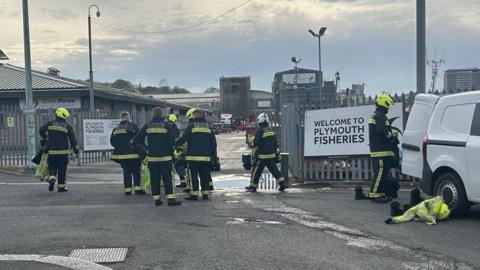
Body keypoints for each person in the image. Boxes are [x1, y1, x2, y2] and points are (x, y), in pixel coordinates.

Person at [132, 107, 181, 206]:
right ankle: (170, 199)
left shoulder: (148, 125)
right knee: (168, 178)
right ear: (161, 114)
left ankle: (157, 200)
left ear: (153, 114)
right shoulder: (167, 125)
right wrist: (170, 151)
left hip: (152, 158)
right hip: (165, 157)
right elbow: (172, 140)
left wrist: (144, 149)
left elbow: (136, 139)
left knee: (154, 179)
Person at [175, 108, 218, 200]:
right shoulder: (208, 127)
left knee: (193, 176)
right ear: (202, 115)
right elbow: (213, 144)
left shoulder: (191, 126)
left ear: (194, 115)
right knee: (205, 175)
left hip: (193, 157)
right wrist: (214, 157)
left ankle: (194, 194)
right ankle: (205, 194)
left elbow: (183, 139)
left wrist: (175, 145)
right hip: (206, 158)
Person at [367, 93, 398, 203]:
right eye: (388, 105)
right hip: (380, 151)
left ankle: (379, 193)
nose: (389, 108)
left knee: (383, 174)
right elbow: (381, 130)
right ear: (384, 103)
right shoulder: (380, 116)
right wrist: (391, 135)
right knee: (380, 173)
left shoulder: (377, 115)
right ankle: (374, 194)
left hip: (381, 151)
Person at [39, 107, 78, 192]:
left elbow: (41, 130)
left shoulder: (50, 124)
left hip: (52, 151)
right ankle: (61, 187)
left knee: (52, 166)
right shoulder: (67, 126)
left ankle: (52, 178)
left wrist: (45, 137)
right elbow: (73, 139)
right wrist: (76, 150)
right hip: (63, 153)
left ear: (57, 114)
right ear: (63, 115)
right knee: (62, 169)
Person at [245, 113, 286, 193]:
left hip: (262, 156)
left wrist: (254, 153)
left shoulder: (260, 131)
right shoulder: (271, 130)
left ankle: (253, 186)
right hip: (271, 155)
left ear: (259, 121)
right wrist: (276, 155)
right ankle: (282, 184)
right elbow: (275, 143)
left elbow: (256, 143)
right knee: (275, 171)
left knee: (256, 171)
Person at [110, 111, 145, 195]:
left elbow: (112, 142)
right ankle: (138, 189)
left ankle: (127, 190)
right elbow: (140, 138)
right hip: (134, 155)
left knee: (126, 172)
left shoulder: (116, 129)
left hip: (122, 156)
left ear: (121, 118)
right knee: (136, 171)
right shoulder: (133, 126)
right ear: (129, 118)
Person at [167, 113, 188, 188]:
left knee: (178, 165)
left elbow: (173, 140)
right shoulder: (173, 128)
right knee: (176, 166)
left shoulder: (174, 129)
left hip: (175, 150)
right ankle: (183, 181)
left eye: (168, 121)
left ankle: (184, 181)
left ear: (171, 121)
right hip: (173, 149)